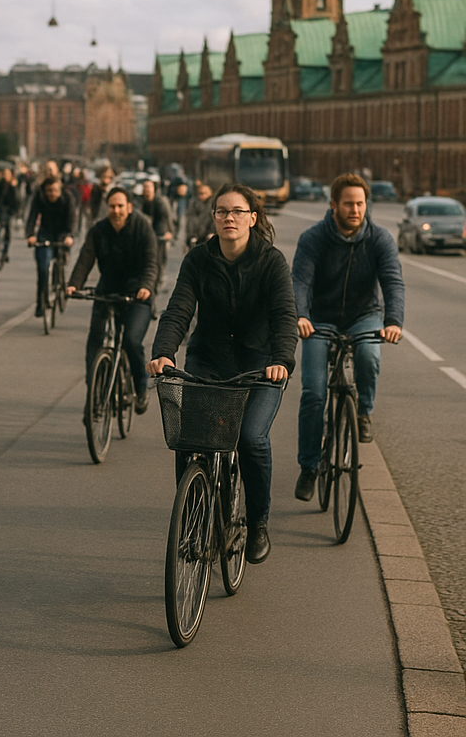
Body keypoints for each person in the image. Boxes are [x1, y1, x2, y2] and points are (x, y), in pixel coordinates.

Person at [147, 184, 297, 564]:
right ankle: (193, 522)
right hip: (209, 360)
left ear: (252, 218)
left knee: (251, 439)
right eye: (221, 211)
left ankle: (257, 523)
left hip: (260, 366)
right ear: (213, 217)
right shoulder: (198, 259)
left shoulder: (271, 261)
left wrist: (281, 359)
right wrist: (164, 352)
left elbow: (284, 316)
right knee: (191, 439)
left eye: (237, 211)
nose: (229, 218)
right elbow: (179, 309)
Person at [291, 173, 404, 500]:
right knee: (314, 393)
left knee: (369, 354)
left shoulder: (380, 239)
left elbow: (393, 282)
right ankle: (309, 467)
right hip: (320, 318)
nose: (355, 210)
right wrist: (300, 315)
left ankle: (363, 411)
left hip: (363, 315)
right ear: (333, 205)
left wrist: (393, 321)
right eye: (348, 204)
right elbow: (300, 281)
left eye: (360, 204)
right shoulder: (313, 238)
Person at [67, 187, 158, 413]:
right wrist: (74, 284)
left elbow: (151, 262)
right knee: (95, 341)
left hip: (137, 294)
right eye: (111, 206)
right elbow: (86, 257)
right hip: (107, 292)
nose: (116, 210)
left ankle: (140, 387)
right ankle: (95, 393)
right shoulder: (99, 230)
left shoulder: (142, 227)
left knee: (131, 340)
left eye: (120, 206)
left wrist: (146, 286)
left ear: (129, 207)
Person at [26, 175, 77, 316]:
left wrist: (70, 235)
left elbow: (72, 219)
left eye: (54, 190)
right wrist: (30, 234)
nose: (51, 193)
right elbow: (32, 216)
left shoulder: (68, 198)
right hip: (45, 233)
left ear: (60, 190)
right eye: (49, 190)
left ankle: (60, 282)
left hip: (62, 234)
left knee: (61, 260)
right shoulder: (40, 198)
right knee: (43, 268)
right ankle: (41, 302)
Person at [140, 179, 175, 293]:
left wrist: (169, 232)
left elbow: (165, 219)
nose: (147, 190)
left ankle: (156, 283)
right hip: (144, 236)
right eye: (145, 187)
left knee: (158, 261)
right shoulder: (140, 202)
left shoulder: (160, 202)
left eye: (149, 187)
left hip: (158, 236)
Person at [0, 167, 19, 263]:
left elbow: (16, 200)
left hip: (9, 212)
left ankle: (5, 252)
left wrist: (14, 187)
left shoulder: (13, 186)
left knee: (8, 233)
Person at [184, 181, 215, 248]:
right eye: (201, 193)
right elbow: (191, 220)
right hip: (196, 236)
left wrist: (212, 232)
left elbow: (214, 220)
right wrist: (191, 235)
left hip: (209, 235)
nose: (203, 195)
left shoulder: (213, 204)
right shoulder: (194, 204)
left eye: (205, 193)